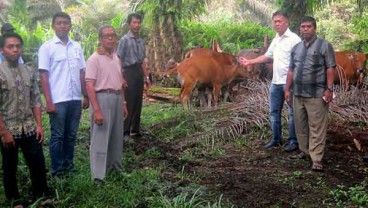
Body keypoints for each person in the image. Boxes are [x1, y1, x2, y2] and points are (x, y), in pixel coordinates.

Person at [0, 33, 52, 208]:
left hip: (30, 127)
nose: (15, 50)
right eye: (10, 46)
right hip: (9, 129)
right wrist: (4, 132)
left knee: (37, 161)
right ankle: (14, 199)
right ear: (2, 49)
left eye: (18, 46)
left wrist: (39, 126)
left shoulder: (29, 70)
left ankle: (42, 193)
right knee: (10, 165)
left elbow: (36, 100)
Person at [239, 10, 301, 152]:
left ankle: (293, 141)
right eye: (275, 21)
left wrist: (292, 83)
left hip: (290, 83)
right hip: (275, 82)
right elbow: (268, 56)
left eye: (279, 21)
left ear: (287, 22)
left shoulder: (294, 39)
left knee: (292, 113)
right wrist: (250, 61)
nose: (276, 24)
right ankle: (276, 139)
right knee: (274, 112)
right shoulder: (276, 39)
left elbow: (299, 63)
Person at [38, 12, 89, 177]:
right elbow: (43, 76)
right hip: (58, 99)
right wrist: (49, 102)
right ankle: (57, 169)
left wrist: (85, 95)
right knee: (58, 136)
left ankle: (69, 164)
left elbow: (82, 72)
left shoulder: (77, 47)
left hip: (75, 99)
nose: (62, 26)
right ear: (53, 26)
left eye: (66, 23)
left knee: (71, 135)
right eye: (59, 23)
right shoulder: (47, 47)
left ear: (70, 26)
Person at [285, 16, 336, 171]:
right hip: (298, 93)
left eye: (308, 27)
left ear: (314, 28)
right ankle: (304, 151)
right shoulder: (296, 48)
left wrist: (329, 89)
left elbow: (330, 68)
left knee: (317, 126)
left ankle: (317, 159)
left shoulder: (324, 46)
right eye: (303, 27)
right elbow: (291, 70)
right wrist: (287, 90)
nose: (305, 29)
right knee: (300, 125)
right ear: (300, 29)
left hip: (316, 94)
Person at [86, 25, 128, 183]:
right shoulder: (94, 59)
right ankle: (98, 176)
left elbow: (120, 82)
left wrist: (123, 102)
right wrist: (96, 110)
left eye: (113, 35)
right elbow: (89, 85)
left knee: (117, 136)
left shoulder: (116, 57)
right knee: (100, 137)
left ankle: (115, 168)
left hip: (117, 97)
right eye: (106, 36)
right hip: (102, 98)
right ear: (100, 39)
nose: (110, 38)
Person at [117, 13, 151, 138]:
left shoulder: (140, 40)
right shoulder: (124, 40)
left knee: (138, 101)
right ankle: (124, 131)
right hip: (128, 72)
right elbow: (119, 59)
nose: (137, 25)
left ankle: (135, 130)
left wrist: (146, 77)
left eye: (138, 22)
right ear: (129, 24)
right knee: (129, 101)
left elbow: (142, 61)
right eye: (134, 22)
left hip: (138, 72)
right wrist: (121, 77)